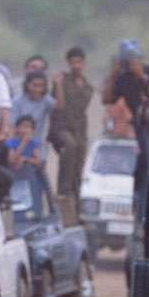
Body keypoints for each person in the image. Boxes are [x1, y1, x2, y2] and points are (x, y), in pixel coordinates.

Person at [51, 47, 94, 198]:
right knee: (70, 145)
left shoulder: (88, 86)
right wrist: (58, 85)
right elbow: (58, 105)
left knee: (79, 160)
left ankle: (76, 198)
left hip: (79, 129)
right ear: (68, 63)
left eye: (78, 62)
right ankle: (63, 191)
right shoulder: (61, 80)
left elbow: (81, 106)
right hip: (61, 127)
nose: (75, 65)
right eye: (72, 62)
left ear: (83, 63)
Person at [12, 71, 55, 161]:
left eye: (41, 86)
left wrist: (58, 86)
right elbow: (12, 125)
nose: (37, 89)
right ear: (27, 85)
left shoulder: (46, 99)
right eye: (34, 85)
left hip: (39, 149)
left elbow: (58, 109)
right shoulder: (17, 101)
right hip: (18, 148)